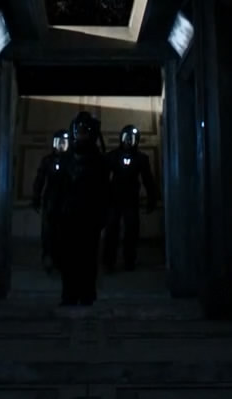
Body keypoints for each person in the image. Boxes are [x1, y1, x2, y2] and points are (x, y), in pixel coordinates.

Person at [50, 111, 111, 308]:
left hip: (89, 217)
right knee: (68, 258)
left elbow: (104, 191)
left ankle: (86, 295)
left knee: (88, 258)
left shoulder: (99, 161)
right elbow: (58, 189)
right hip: (68, 216)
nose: (81, 134)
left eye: (85, 130)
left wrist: (103, 216)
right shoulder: (66, 159)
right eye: (78, 130)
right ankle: (69, 295)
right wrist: (55, 213)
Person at [102, 124, 160, 273]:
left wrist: (151, 198)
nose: (128, 141)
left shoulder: (141, 158)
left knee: (131, 231)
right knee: (112, 231)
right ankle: (109, 261)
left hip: (131, 200)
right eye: (126, 138)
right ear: (121, 138)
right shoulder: (112, 156)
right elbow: (103, 179)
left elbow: (148, 179)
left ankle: (129, 260)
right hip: (114, 199)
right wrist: (102, 199)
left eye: (132, 139)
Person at [31, 130, 70, 274]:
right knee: (48, 232)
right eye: (59, 142)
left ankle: (61, 259)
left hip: (66, 201)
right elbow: (40, 179)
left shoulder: (71, 161)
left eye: (64, 143)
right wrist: (36, 197)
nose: (61, 146)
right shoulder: (48, 160)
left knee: (64, 232)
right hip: (51, 200)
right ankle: (48, 256)